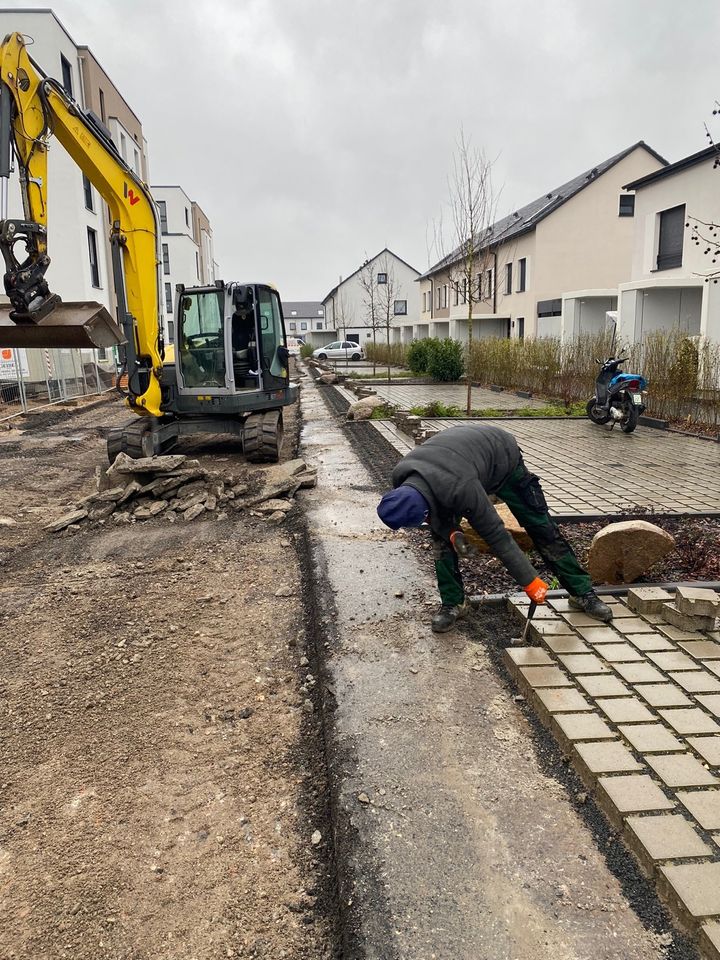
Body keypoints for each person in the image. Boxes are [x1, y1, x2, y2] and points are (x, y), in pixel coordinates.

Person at [377, 423, 612, 633]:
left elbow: (496, 534)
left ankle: (582, 592)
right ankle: (454, 603)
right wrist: (451, 532)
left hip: (502, 457)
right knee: (442, 543)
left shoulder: (462, 488)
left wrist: (530, 581)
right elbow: (433, 518)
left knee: (541, 527)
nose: (425, 522)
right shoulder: (402, 478)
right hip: (459, 460)